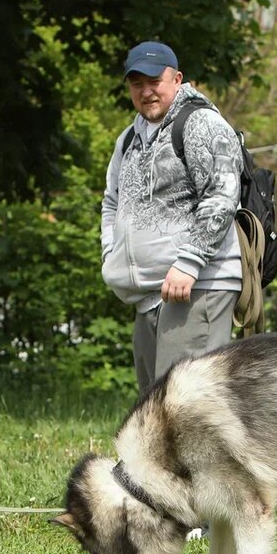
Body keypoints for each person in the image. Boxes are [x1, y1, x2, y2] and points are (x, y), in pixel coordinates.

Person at [101, 41, 242, 392]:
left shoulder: (201, 124)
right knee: (154, 412)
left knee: (187, 410)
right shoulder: (129, 139)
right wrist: (111, 257)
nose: (146, 91)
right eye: (137, 83)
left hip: (198, 286)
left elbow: (222, 194)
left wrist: (189, 263)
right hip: (149, 293)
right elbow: (111, 203)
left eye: (154, 81)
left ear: (176, 79)